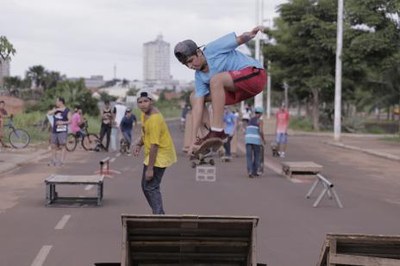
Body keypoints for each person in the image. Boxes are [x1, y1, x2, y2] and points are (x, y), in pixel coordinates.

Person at [174, 26, 267, 155]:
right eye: (186, 65)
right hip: (238, 90)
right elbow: (197, 109)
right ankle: (206, 137)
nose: (191, 66)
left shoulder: (212, 49)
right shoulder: (199, 77)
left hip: (255, 75)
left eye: (191, 61)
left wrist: (251, 34)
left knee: (216, 80)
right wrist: (192, 139)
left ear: (199, 52)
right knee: (194, 97)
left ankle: (217, 131)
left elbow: (239, 39)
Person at [133, 89, 177, 214]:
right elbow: (146, 133)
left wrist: (150, 168)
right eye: (140, 102)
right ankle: (158, 213)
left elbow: (154, 145)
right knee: (146, 186)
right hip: (154, 153)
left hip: (160, 154)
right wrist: (139, 144)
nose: (143, 104)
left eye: (146, 101)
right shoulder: (144, 114)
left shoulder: (154, 119)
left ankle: (159, 216)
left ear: (151, 101)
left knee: (151, 187)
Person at [47, 97, 71, 166]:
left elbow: (70, 120)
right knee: (53, 145)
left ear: (61, 102)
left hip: (62, 130)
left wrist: (62, 122)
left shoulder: (67, 110)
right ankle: (54, 160)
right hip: (54, 130)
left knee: (62, 145)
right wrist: (56, 110)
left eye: (57, 101)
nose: (56, 103)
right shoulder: (56, 110)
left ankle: (62, 161)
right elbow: (48, 113)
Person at [245, 106, 266, 178]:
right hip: (256, 140)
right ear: (261, 114)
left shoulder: (250, 120)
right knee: (257, 156)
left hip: (248, 139)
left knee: (249, 156)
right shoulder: (260, 121)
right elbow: (260, 131)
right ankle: (254, 171)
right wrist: (263, 140)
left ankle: (250, 171)